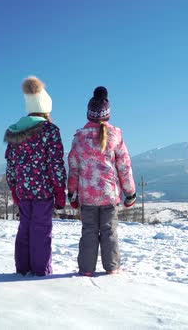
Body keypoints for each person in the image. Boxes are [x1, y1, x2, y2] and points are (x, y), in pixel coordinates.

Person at [67, 86, 136, 276]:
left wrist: (72, 193)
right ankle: (112, 268)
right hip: (109, 195)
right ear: (108, 115)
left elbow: (74, 167)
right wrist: (130, 192)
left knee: (89, 232)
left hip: (88, 196)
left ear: (88, 114)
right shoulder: (115, 135)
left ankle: (86, 270)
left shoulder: (79, 138)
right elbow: (124, 166)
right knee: (109, 232)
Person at [4, 76, 66, 276]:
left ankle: (22, 268)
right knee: (40, 230)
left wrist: (14, 188)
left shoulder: (15, 132)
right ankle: (40, 270)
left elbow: (11, 165)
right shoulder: (50, 131)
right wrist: (59, 191)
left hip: (22, 190)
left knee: (25, 228)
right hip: (44, 191)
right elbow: (55, 163)